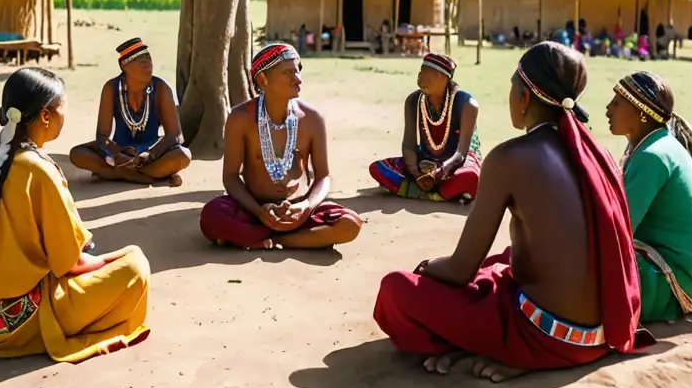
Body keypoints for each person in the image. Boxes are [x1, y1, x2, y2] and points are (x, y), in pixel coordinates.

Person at [373, 42, 652, 382]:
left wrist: (426, 268)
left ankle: (506, 348)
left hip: (547, 336)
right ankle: (498, 337)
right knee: (500, 263)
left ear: (523, 98)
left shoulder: (509, 158)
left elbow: (460, 270)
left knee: (396, 290)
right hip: (603, 333)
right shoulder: (599, 154)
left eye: (511, 87)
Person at [0, 67, 151, 363]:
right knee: (135, 265)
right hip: (22, 324)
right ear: (45, 116)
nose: (64, 116)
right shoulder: (40, 170)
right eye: (62, 109)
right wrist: (113, 257)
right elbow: (69, 263)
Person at [199, 43, 362, 250]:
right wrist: (260, 211)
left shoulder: (312, 119)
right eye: (288, 73)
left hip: (300, 210)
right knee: (212, 215)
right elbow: (230, 177)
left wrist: (305, 206)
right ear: (262, 80)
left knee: (351, 224)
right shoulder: (240, 118)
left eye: (298, 71)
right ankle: (300, 237)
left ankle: (272, 240)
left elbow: (323, 177)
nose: (298, 79)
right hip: (254, 209)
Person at [605, 72, 692, 322]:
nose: (607, 109)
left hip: (669, 279)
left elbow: (618, 229)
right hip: (671, 268)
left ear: (641, 112)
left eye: (616, 103)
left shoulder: (652, 156)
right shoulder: (654, 144)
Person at [69, 38, 191, 186]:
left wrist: (148, 155)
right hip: (119, 150)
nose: (146, 63)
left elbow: (176, 135)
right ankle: (149, 175)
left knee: (183, 155)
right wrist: (116, 154)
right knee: (77, 154)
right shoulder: (111, 88)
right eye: (138, 59)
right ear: (124, 65)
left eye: (148, 58)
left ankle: (114, 173)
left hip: (151, 152)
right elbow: (102, 135)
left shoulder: (161, 88)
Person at [369, 54, 481, 203]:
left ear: (443, 78)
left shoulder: (467, 104)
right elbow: (408, 145)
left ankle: (420, 191)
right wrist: (416, 174)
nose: (421, 79)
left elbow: (461, 152)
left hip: (456, 163)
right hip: (425, 162)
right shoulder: (413, 101)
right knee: (378, 169)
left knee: (471, 176)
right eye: (420, 73)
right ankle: (442, 193)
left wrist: (441, 172)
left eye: (428, 75)